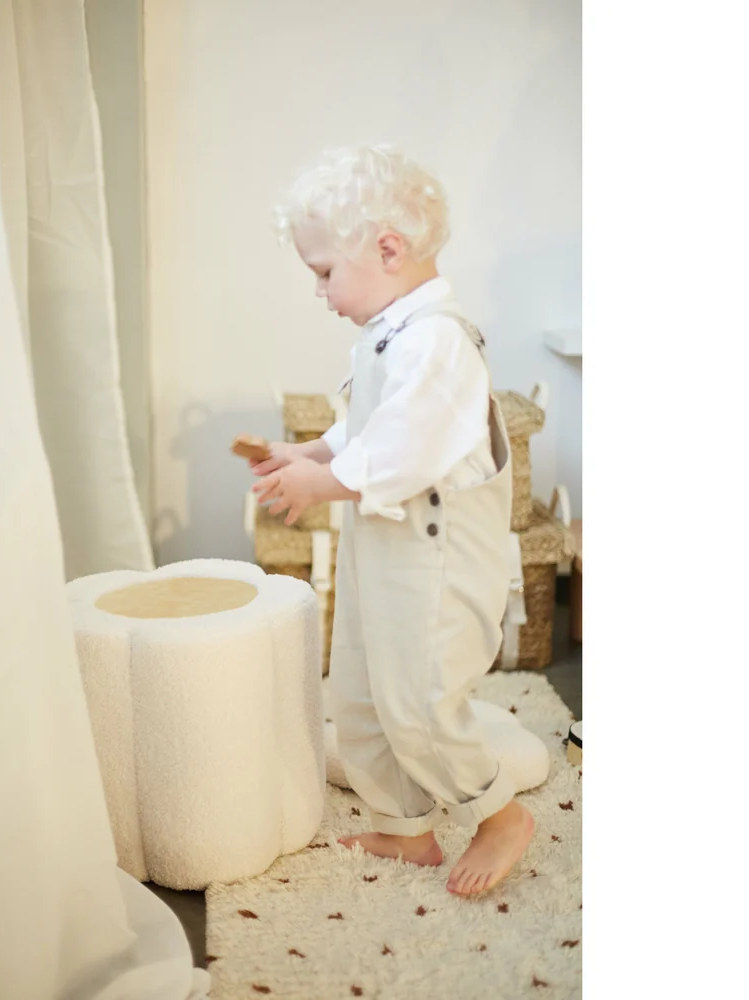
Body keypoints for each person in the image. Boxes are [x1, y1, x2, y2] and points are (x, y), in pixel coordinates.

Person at [249, 145, 534, 896]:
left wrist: (321, 483)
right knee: (361, 692)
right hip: (384, 553)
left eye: (324, 273)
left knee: (419, 701)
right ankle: (404, 827)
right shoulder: (389, 335)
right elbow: (369, 425)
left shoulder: (439, 340)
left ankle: (498, 813)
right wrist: (311, 451)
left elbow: (404, 450)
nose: (319, 291)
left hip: (437, 567)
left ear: (387, 249)